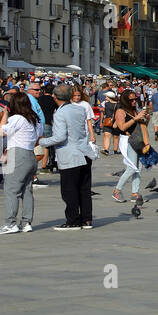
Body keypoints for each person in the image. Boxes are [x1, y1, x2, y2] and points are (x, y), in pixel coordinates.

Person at [38, 85, 98, 230]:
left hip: (70, 154)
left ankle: (73, 220)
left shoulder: (60, 113)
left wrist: (42, 141)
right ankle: (86, 219)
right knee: (84, 189)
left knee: (69, 190)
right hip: (84, 152)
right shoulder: (80, 108)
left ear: (54, 97)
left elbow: (60, 137)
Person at [0, 92, 41, 235]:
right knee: (26, 190)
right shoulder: (35, 119)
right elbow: (39, 136)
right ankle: (26, 222)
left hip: (18, 155)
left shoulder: (17, 118)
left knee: (11, 190)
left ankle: (10, 223)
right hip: (30, 154)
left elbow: (1, 132)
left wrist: (5, 114)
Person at [111, 90, 150, 205]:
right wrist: (135, 118)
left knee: (138, 167)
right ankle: (116, 191)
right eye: (131, 100)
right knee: (132, 167)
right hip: (128, 141)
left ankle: (135, 193)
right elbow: (122, 127)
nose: (134, 101)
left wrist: (146, 118)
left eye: (135, 99)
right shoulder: (120, 111)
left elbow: (142, 125)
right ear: (125, 100)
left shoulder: (133, 110)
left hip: (137, 140)